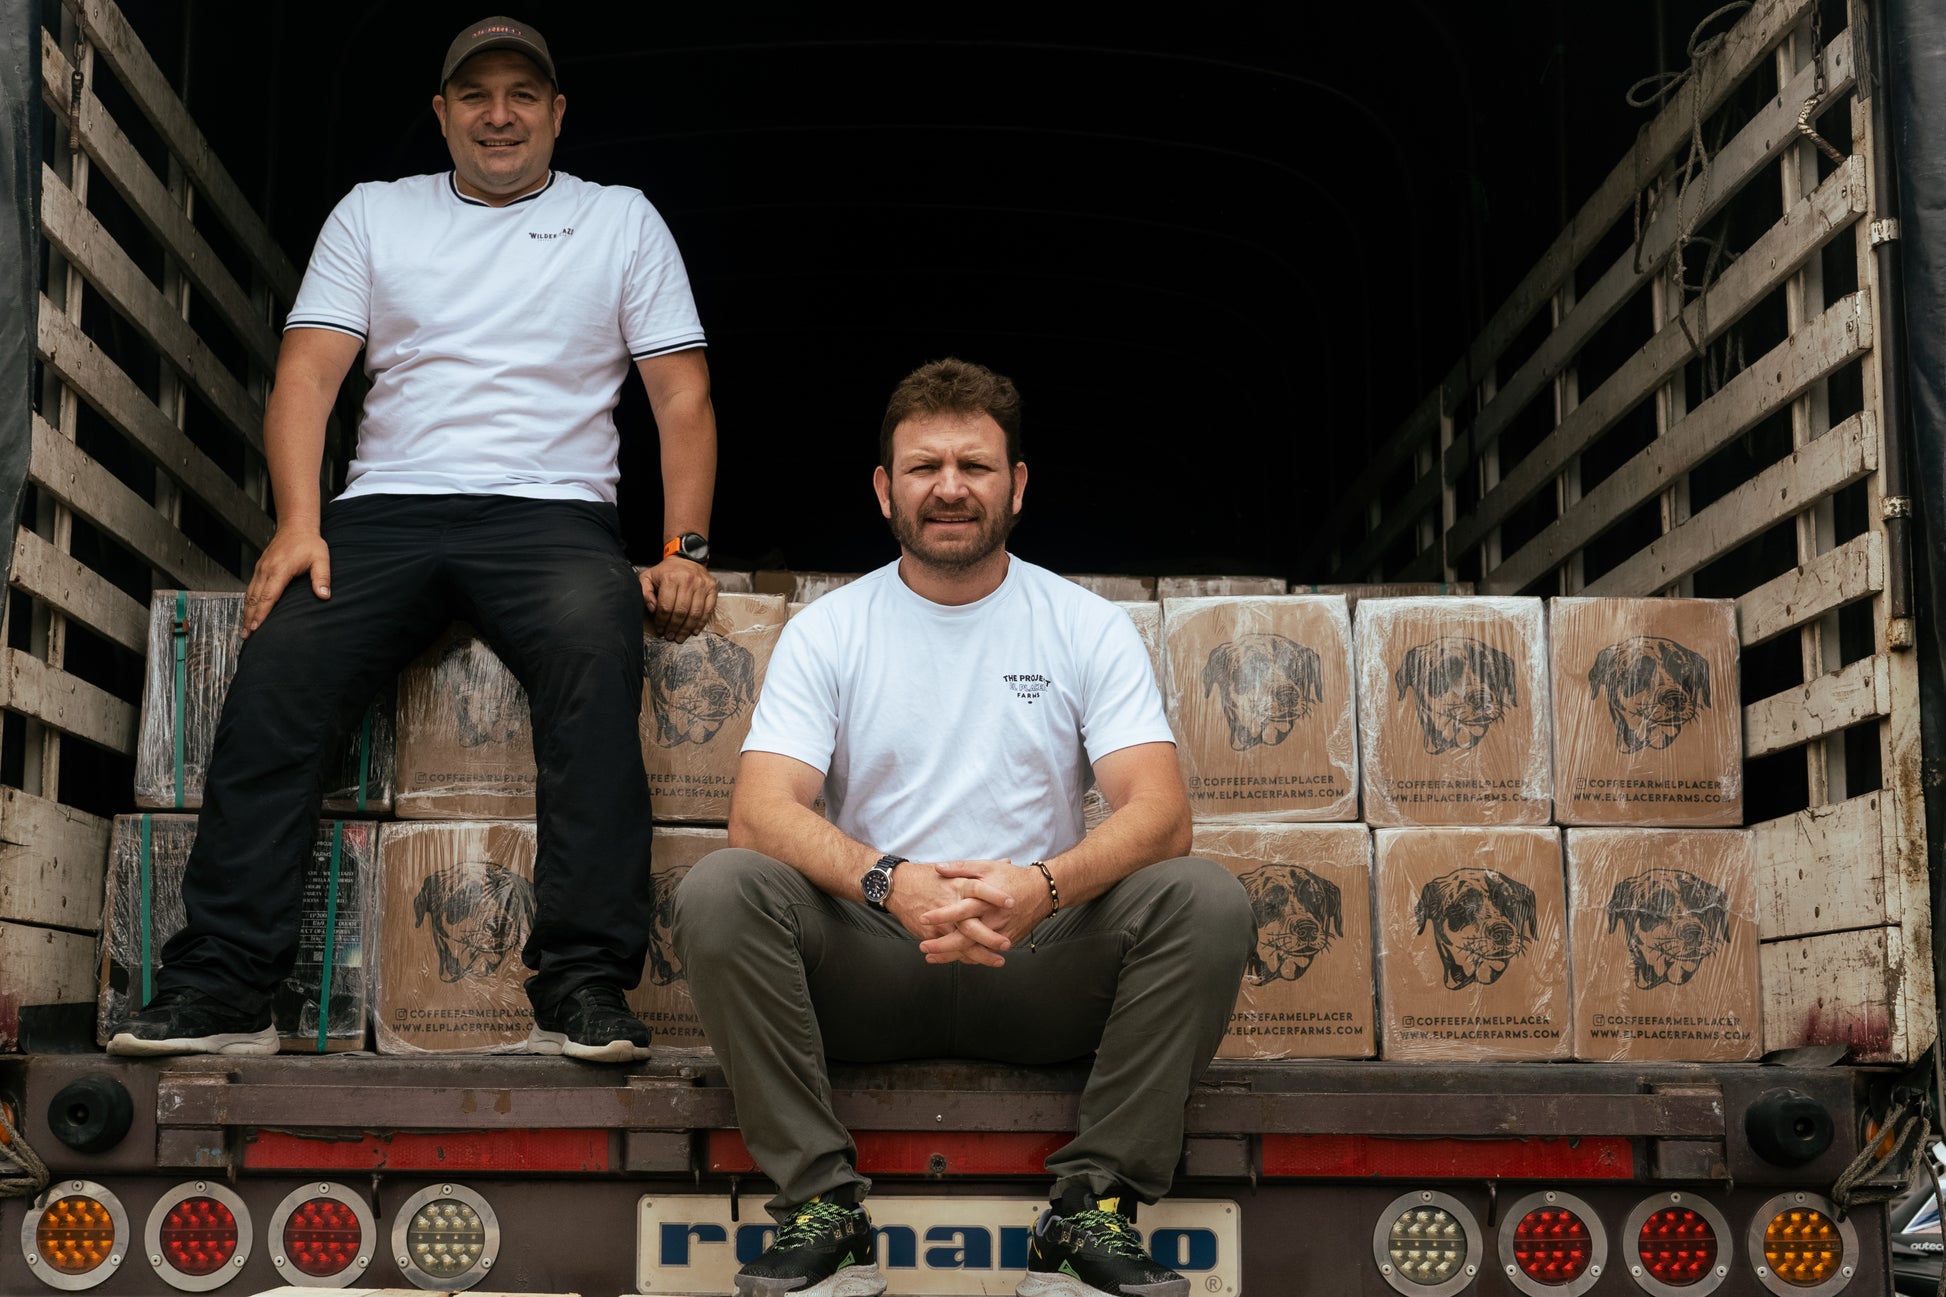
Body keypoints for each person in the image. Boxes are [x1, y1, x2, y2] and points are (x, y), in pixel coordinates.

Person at [108, 15, 716, 1064]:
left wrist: (685, 549)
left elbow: (681, 394)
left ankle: (581, 989)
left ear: (557, 114)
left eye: (521, 93)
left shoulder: (620, 221)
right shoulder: (374, 216)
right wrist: (298, 523)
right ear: (439, 114)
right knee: (276, 681)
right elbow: (305, 376)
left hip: (553, 513)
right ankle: (223, 989)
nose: (498, 112)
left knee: (594, 668)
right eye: (474, 93)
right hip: (385, 507)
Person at [673, 359, 1255, 1297]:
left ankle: (1089, 1213)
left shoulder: (1084, 625)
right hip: (874, 959)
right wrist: (886, 881)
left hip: (1037, 956)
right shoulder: (832, 629)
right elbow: (761, 809)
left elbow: (1160, 812)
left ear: (1017, 485)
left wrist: (1044, 887)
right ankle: (823, 1210)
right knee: (722, 884)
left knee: (1206, 898)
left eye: (976, 466)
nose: (950, 488)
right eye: (924, 466)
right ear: (884, 489)